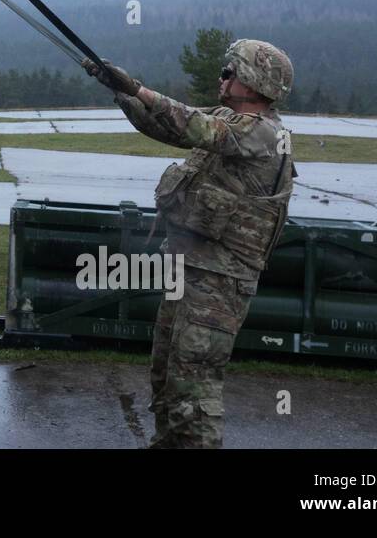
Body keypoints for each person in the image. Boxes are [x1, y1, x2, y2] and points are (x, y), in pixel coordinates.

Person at [82, 39, 296, 448]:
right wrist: (122, 91)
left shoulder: (265, 133)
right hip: (192, 271)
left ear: (253, 82)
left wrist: (139, 87)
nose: (223, 77)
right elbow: (164, 126)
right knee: (168, 376)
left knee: (193, 386)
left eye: (230, 72)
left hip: (220, 280)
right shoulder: (230, 119)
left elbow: (194, 128)